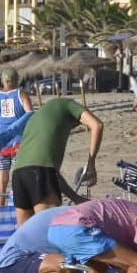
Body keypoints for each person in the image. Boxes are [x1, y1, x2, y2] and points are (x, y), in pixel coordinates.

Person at [9, 96, 103, 227]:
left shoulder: (39, 119)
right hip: (39, 174)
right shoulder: (68, 104)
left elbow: (51, 174)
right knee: (51, 233)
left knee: (25, 236)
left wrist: (75, 197)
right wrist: (91, 164)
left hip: (19, 174)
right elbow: (97, 125)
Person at [0, 69, 32, 205]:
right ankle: (19, 213)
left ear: (2, 81)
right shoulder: (22, 95)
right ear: (17, 80)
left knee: (0, 184)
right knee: (20, 181)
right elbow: (30, 117)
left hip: (1, 144)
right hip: (19, 144)